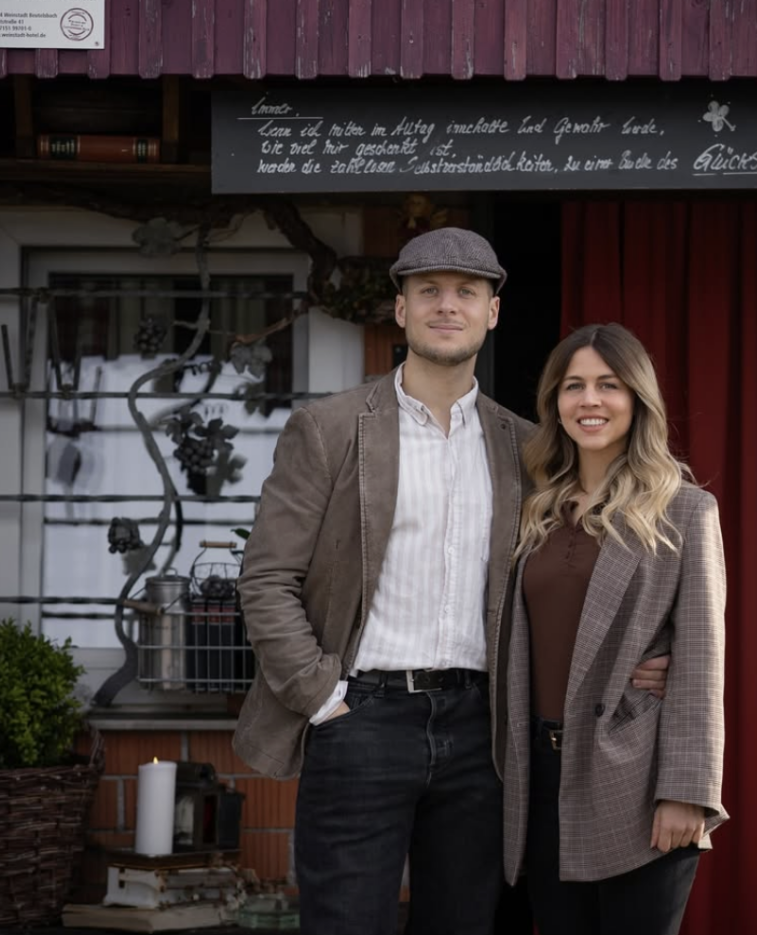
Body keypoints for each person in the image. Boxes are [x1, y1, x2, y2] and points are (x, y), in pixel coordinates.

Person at [234, 230, 669, 935]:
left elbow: (581, 564)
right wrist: (320, 697)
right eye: (428, 290)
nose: (447, 305)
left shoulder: (527, 446)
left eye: (466, 292)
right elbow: (266, 577)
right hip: (359, 717)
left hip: (483, 733)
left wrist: (646, 655)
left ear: (491, 312)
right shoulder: (329, 429)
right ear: (400, 309)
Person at [502, 322, 729, 935]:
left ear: (637, 398)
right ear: (555, 402)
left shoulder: (684, 510)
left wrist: (687, 791)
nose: (590, 400)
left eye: (608, 384)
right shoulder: (536, 509)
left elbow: (702, 659)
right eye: (573, 386)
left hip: (638, 777)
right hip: (541, 775)